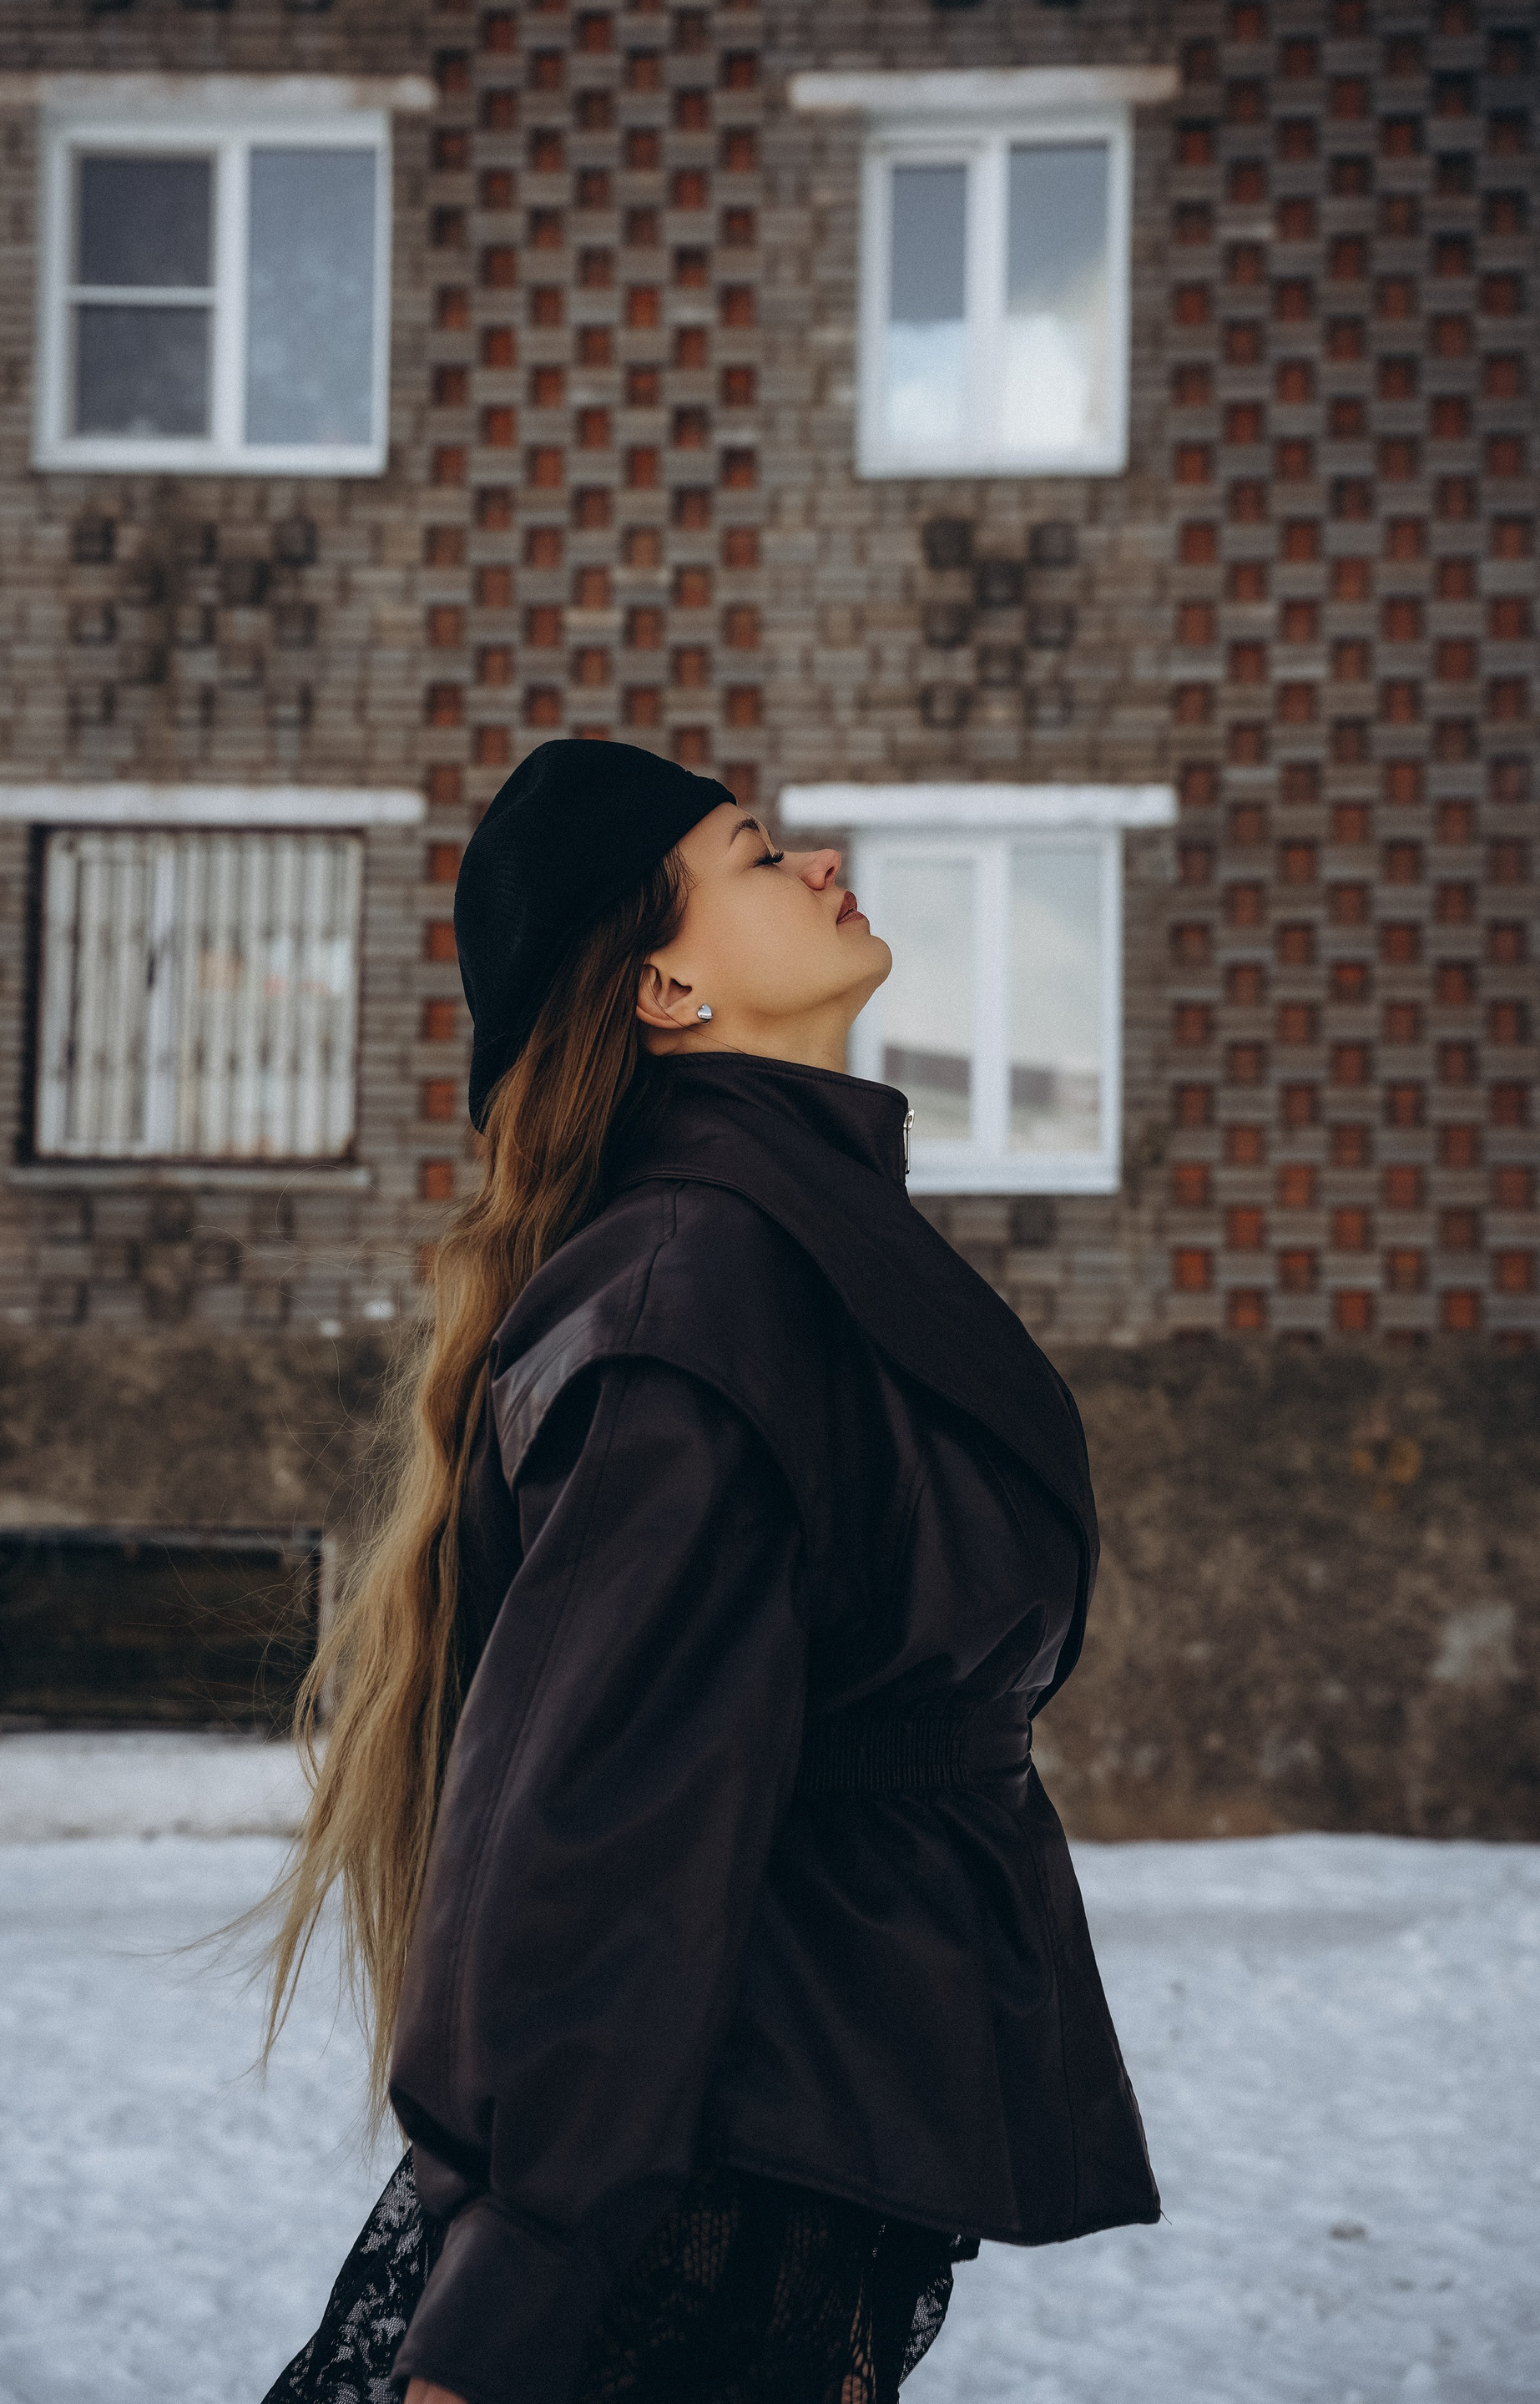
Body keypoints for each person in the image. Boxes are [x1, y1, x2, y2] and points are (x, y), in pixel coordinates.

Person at [260, 740, 1159, 2404]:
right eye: (756, 856)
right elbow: (599, 1810)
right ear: (666, 986)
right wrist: (517, 2278)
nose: (820, 865)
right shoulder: (701, 1288)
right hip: (699, 2172)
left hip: (806, 2107)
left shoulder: (790, 1241)